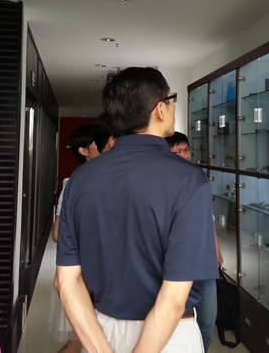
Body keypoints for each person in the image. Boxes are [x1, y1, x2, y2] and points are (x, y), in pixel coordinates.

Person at [55, 67, 218, 353]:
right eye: (171, 99)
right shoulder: (188, 179)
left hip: (101, 331)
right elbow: (173, 299)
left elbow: (66, 281)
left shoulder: (81, 178)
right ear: (160, 109)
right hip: (169, 337)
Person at [166, 131, 223, 352]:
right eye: (178, 151)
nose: (185, 155)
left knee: (207, 320)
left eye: (187, 150)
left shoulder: (199, 176)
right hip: (178, 262)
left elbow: (209, 216)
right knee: (179, 319)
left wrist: (216, 248)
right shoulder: (161, 181)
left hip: (203, 259)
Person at [51, 123, 102, 353]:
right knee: (79, 341)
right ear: (83, 151)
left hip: (97, 273)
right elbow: (57, 234)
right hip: (80, 274)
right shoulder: (74, 184)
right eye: (97, 142)